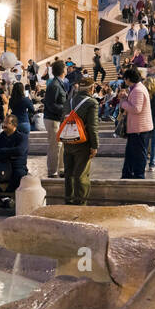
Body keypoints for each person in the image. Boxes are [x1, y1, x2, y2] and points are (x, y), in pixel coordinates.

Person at [60, 75, 99, 205]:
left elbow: (62, 121)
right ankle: (80, 205)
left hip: (68, 142)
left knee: (69, 174)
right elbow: (93, 126)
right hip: (82, 143)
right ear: (91, 88)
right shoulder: (91, 103)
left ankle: (68, 202)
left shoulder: (69, 101)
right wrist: (94, 146)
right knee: (81, 175)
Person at [0, 112, 29, 207]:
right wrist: (9, 154)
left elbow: (20, 151)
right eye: (4, 122)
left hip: (17, 167)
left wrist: (2, 151)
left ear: (14, 125)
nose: (3, 125)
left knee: (19, 174)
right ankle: (5, 198)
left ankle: (6, 198)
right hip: (1, 166)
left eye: (7, 123)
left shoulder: (22, 137)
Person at [42, 60, 67, 179]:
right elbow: (51, 104)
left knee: (60, 145)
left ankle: (61, 169)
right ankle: (52, 171)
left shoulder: (57, 83)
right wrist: (65, 109)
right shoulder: (54, 85)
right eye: (66, 68)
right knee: (55, 146)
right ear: (63, 70)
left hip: (57, 119)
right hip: (53, 119)